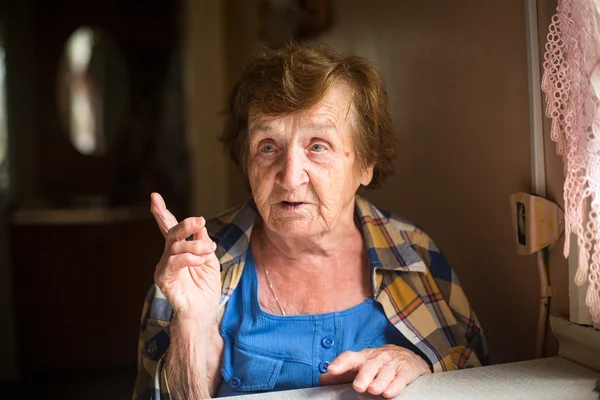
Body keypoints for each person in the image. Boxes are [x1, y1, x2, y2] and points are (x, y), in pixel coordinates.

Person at [132, 42, 488, 400]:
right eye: (268, 146)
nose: (289, 177)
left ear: (365, 164)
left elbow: (480, 379)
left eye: (318, 146)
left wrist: (423, 368)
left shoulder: (415, 255)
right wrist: (192, 326)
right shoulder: (194, 265)